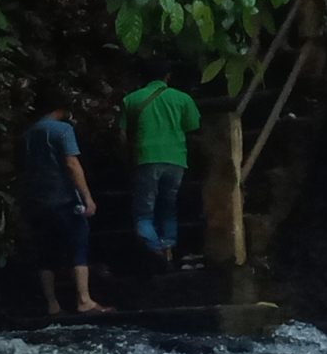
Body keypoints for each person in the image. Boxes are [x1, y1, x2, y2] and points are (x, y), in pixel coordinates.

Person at [18, 93, 107, 316]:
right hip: (64, 199)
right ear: (61, 110)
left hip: (37, 200)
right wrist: (87, 198)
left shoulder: (28, 134)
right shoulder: (62, 130)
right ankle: (84, 300)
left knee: (46, 252)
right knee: (79, 245)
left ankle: (52, 304)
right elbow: (72, 163)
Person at [121, 70, 203, 266]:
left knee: (144, 212)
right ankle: (168, 247)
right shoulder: (183, 98)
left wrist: (126, 158)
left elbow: (122, 135)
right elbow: (193, 128)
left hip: (146, 158)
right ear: (168, 75)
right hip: (176, 159)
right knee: (168, 207)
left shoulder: (130, 100)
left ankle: (155, 249)